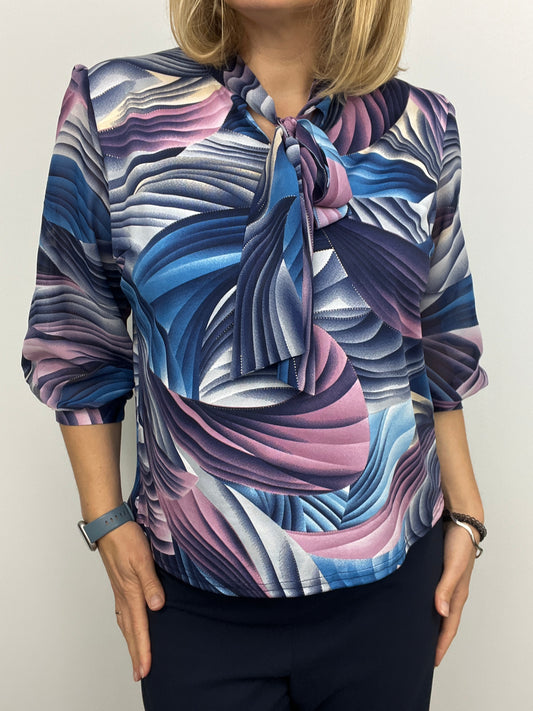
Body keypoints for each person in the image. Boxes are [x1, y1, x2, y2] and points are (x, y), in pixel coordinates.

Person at [21, 0, 489, 709]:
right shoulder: (116, 110)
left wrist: (467, 513)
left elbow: (439, 339)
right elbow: (75, 334)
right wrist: (106, 519)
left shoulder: (421, 125)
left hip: (390, 587)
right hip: (194, 596)